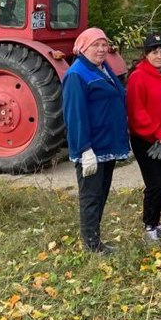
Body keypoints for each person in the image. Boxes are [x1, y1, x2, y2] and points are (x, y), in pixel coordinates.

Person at [62, 27, 130, 255]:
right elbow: (75, 115)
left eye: (104, 44)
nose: (102, 49)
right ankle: (92, 245)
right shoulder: (77, 74)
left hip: (106, 144)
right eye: (96, 45)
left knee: (101, 194)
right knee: (91, 196)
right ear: (83, 47)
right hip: (92, 148)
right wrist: (84, 149)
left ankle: (95, 239)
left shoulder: (103, 68)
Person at [126, 34, 161, 242]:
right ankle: (149, 226)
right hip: (147, 139)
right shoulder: (138, 77)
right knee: (154, 182)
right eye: (154, 52)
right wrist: (157, 131)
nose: (159, 55)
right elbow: (137, 111)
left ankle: (157, 222)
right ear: (146, 54)